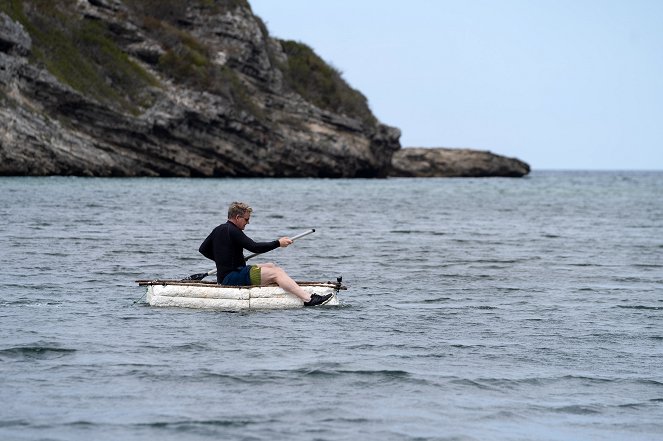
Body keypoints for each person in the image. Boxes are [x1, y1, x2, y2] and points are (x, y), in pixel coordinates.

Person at [199, 202, 333, 307]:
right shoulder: (234, 231)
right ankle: (308, 299)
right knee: (277, 273)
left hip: (231, 273)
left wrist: (224, 260)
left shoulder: (218, 229)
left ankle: (283, 287)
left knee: (271, 266)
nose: (248, 222)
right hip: (231, 279)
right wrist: (278, 243)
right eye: (246, 219)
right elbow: (255, 247)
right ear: (238, 217)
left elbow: (203, 249)